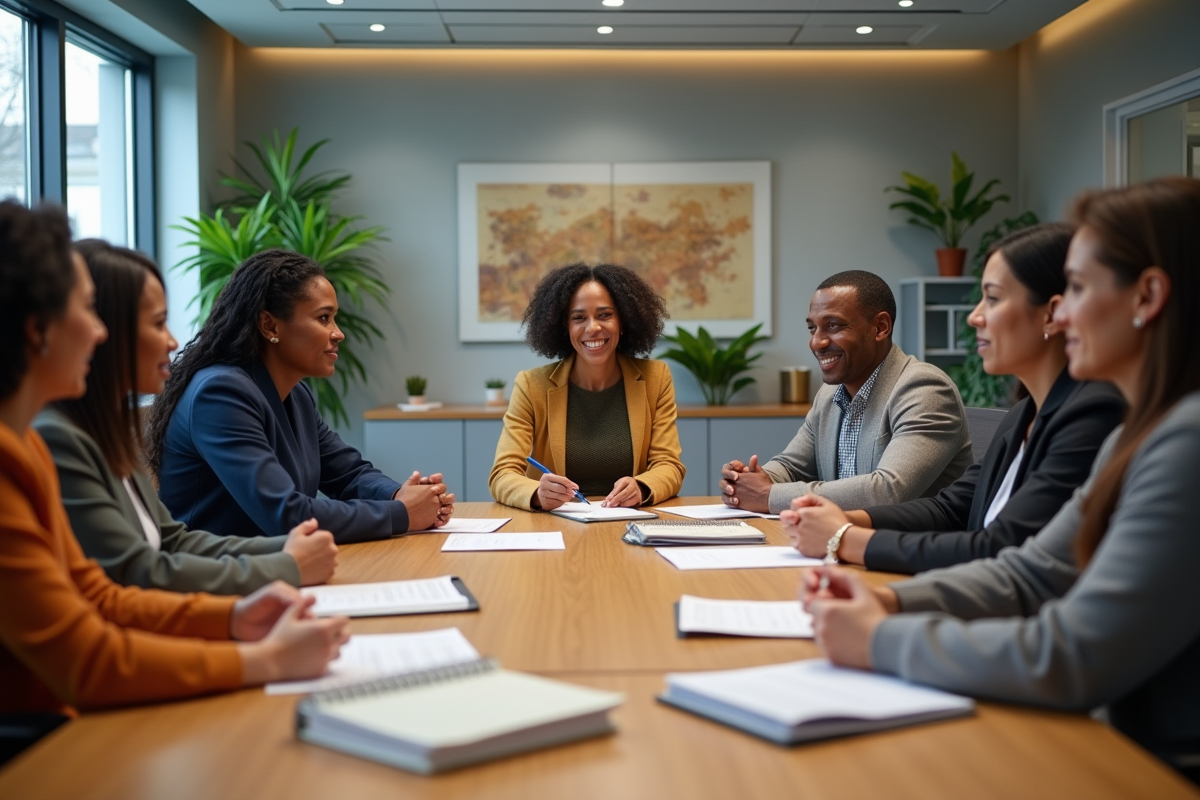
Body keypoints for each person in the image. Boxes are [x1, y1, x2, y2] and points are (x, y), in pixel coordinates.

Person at [802, 177, 1200, 781]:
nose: (1062, 311)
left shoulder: (1184, 439)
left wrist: (880, 638)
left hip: (1151, 765)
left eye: (1077, 288)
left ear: (1146, 297)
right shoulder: (1138, 434)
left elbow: (1073, 654)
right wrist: (887, 599)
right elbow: (1032, 571)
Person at [0, 200, 348, 722]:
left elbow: (107, 593)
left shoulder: (41, 444)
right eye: (87, 312)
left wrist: (235, 618)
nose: (98, 332)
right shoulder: (36, 447)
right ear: (36, 329)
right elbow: (94, 641)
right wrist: (262, 656)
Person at [782, 225, 1125, 574]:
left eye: (992, 298)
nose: (974, 316)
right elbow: (950, 508)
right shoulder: (1023, 412)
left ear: (1052, 315)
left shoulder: (1094, 413)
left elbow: (999, 548)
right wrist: (844, 518)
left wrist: (843, 538)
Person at [35, 240, 338, 594]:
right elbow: (138, 572)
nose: (172, 341)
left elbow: (173, 541)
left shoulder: (105, 429)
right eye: (158, 323)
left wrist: (289, 550)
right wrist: (284, 566)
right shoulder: (58, 438)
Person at [148, 250, 454, 543]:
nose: (338, 333)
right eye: (324, 318)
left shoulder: (295, 395)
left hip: (275, 564)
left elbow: (348, 474)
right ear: (270, 325)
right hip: (217, 572)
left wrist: (402, 495)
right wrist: (401, 513)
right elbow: (285, 514)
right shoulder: (220, 395)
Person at [720, 270, 973, 514]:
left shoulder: (924, 389)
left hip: (913, 542)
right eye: (812, 328)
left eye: (833, 325)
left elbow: (887, 492)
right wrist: (750, 480)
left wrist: (767, 495)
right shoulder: (829, 394)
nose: (816, 342)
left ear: (880, 327)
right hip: (841, 538)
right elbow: (791, 467)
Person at [489, 263, 685, 511]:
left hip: (629, 519)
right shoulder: (531, 386)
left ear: (623, 320)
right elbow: (502, 474)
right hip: (558, 522)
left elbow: (669, 465)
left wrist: (642, 487)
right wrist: (537, 493)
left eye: (605, 315)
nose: (593, 328)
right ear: (564, 327)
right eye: (578, 318)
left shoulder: (655, 378)